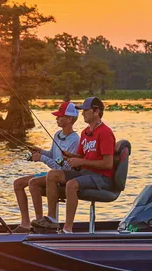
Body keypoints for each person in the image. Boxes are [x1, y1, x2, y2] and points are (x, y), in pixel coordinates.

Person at [37, 96, 116, 233]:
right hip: (85, 173)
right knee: (52, 175)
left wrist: (82, 161)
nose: (83, 113)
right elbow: (81, 156)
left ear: (96, 111)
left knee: (71, 184)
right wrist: (71, 156)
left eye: (85, 110)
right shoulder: (85, 132)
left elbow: (108, 164)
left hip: (101, 177)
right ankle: (52, 220)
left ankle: (67, 229)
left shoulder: (105, 133)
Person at [12, 101, 80, 233]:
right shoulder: (57, 135)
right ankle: (25, 224)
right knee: (18, 183)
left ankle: (39, 222)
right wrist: (40, 151)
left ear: (70, 119)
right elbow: (53, 155)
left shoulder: (75, 140)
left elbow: (63, 168)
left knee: (33, 182)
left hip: (62, 176)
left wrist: (41, 158)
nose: (57, 118)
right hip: (52, 173)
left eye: (60, 116)